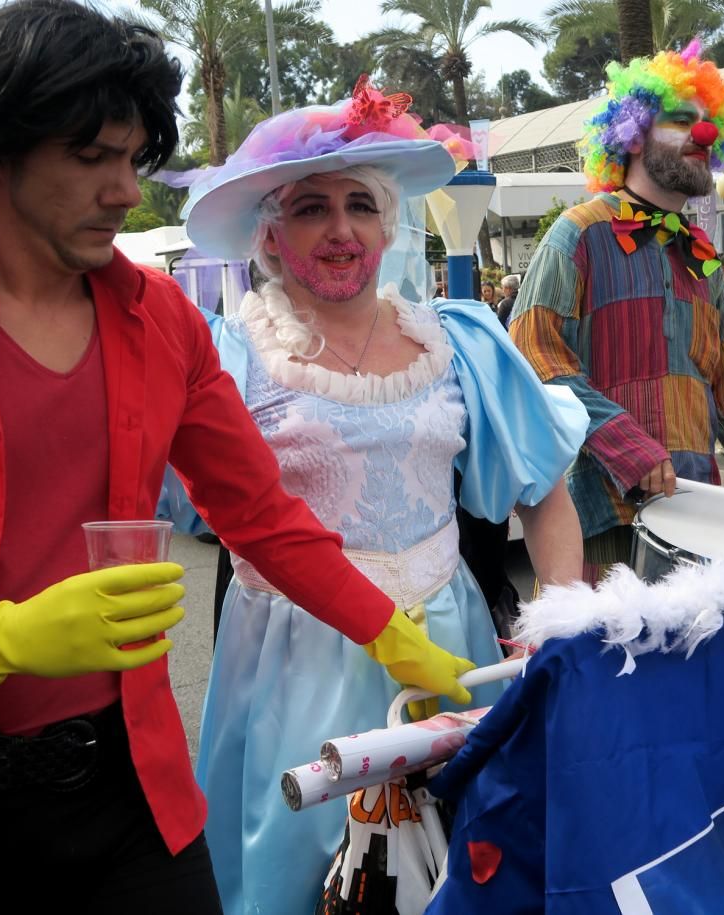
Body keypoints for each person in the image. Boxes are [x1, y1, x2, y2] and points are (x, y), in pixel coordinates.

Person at [0, 6, 474, 915]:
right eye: (94, 158)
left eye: (134, 159)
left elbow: (262, 514)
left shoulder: (161, 320)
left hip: (131, 791)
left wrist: (394, 634)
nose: (128, 191)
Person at [172, 77, 589, 914]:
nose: (340, 228)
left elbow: (543, 489)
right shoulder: (229, 355)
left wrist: (561, 622)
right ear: (271, 234)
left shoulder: (460, 337)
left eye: (360, 205)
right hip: (292, 664)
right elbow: (181, 503)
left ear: (388, 222)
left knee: (468, 864)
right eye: (310, 208)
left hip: (452, 649)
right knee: (305, 881)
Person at [509, 39, 724, 583]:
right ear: (632, 135)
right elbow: (531, 350)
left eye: (708, 124)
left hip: (691, 519)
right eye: (681, 120)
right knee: (599, 665)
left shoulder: (701, 258)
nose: (702, 135)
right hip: (595, 517)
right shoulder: (579, 233)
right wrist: (623, 441)